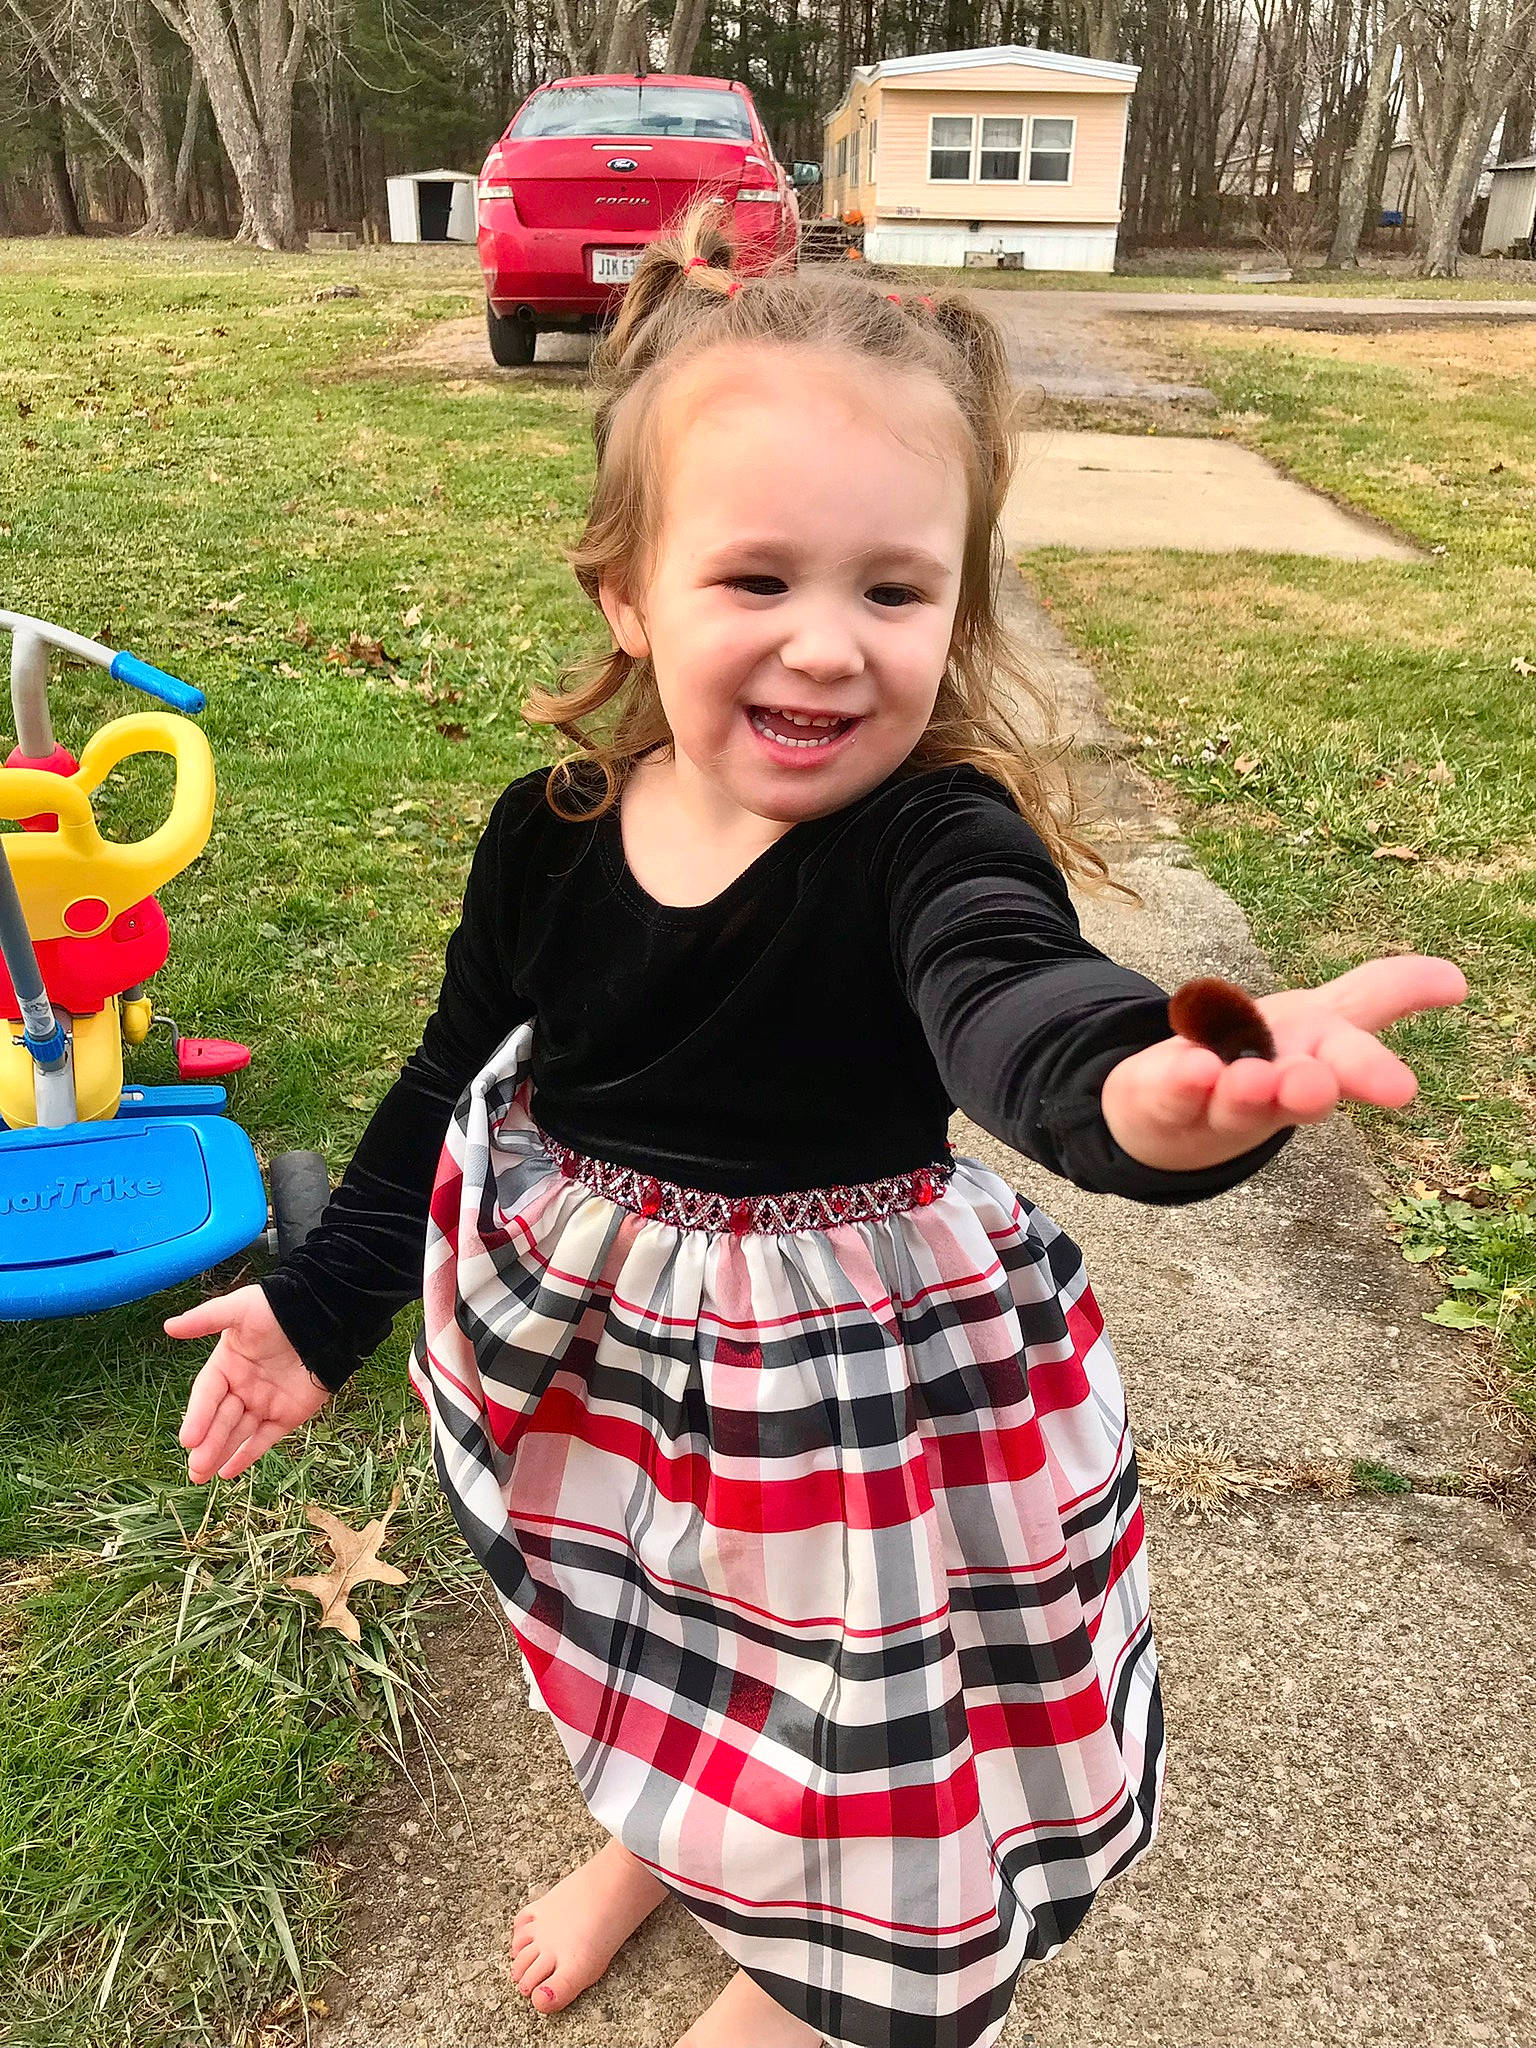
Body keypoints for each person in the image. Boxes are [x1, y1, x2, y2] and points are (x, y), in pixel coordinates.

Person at [169, 208, 1466, 2048]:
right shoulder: (547, 834)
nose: (828, 646)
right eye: (758, 578)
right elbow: (445, 1080)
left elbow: (1020, 998)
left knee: (850, 1729)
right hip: (599, 1363)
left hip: (846, 1413)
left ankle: (809, 1982)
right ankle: (661, 1841)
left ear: (958, 608)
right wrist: (321, 1309)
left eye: (893, 593)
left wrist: (1160, 1090)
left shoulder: (932, 841)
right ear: (628, 592)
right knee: (660, 1650)